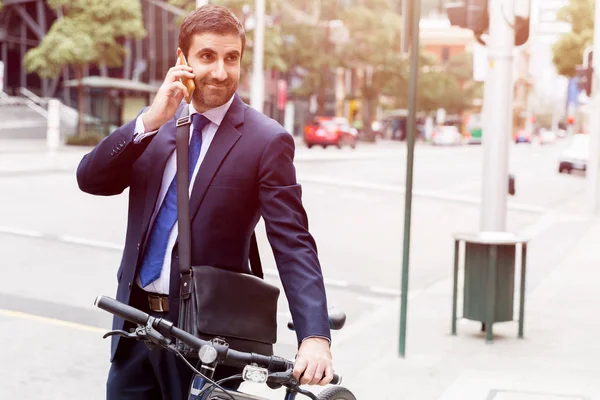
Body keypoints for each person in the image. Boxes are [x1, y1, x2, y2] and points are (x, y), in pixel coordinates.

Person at [76, 5, 333, 399]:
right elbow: (91, 179)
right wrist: (148, 122)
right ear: (183, 61)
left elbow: (293, 243)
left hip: (209, 341)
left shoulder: (265, 141)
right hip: (135, 329)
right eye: (208, 57)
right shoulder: (158, 127)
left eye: (232, 58)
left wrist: (314, 336)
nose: (220, 71)